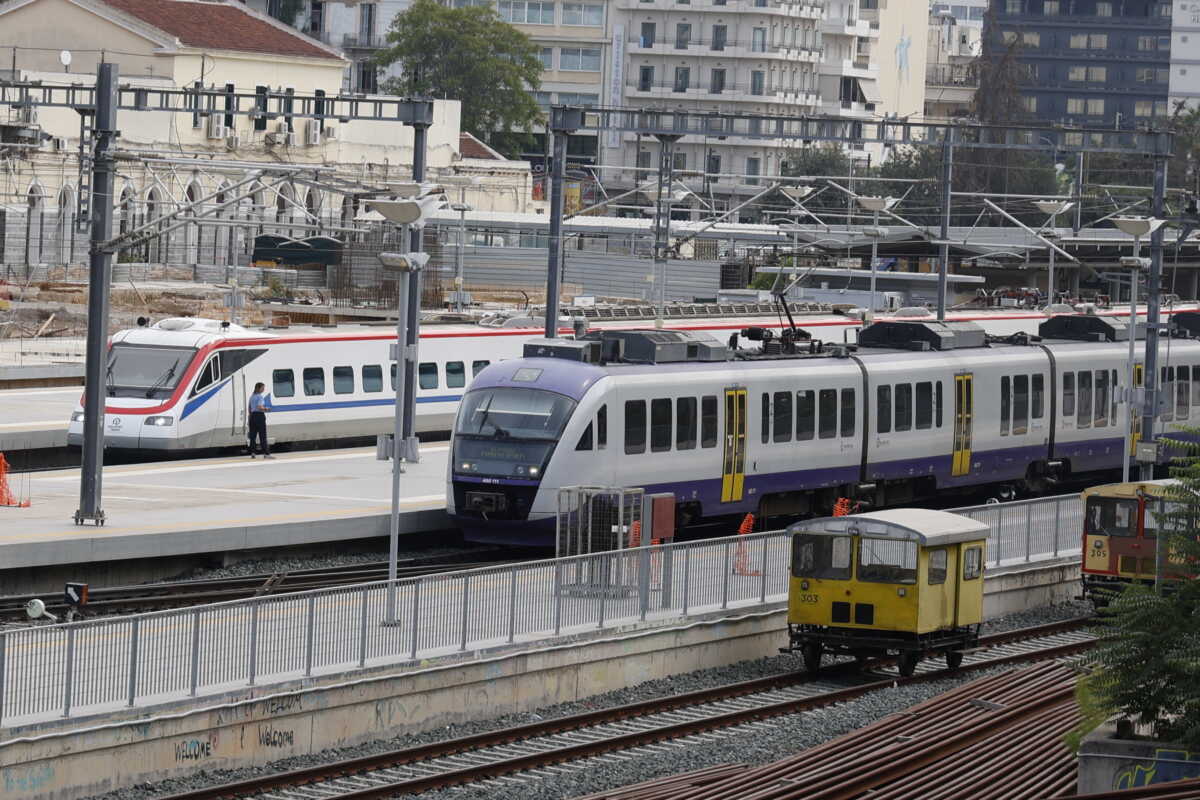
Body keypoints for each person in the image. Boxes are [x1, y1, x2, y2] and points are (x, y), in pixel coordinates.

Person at [248, 382, 274, 459]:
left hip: (252, 416)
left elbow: (249, 408)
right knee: (262, 435)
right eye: (263, 388)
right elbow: (259, 407)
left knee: (253, 436)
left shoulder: (252, 397)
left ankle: (253, 453)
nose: (263, 389)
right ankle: (266, 454)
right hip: (259, 416)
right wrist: (267, 409)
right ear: (259, 388)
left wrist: (250, 417)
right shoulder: (260, 397)